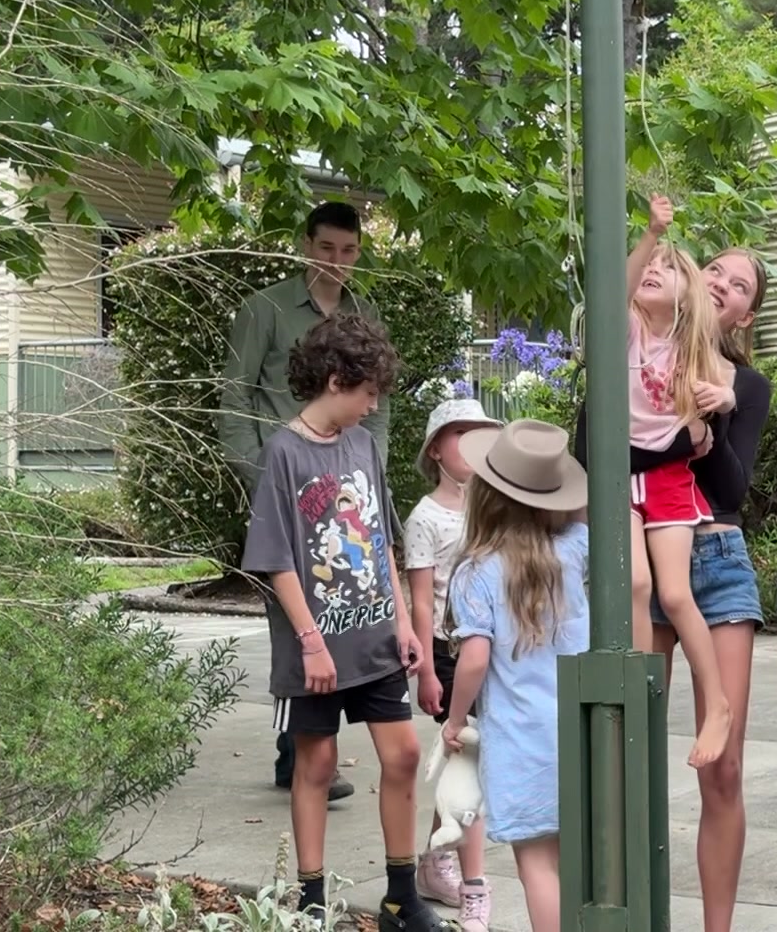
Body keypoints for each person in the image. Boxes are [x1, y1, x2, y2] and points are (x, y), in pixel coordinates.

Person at [572, 243, 772, 932]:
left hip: (711, 557)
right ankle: (632, 914)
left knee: (723, 770)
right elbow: (590, 450)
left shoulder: (741, 382)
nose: (722, 283)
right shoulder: (633, 346)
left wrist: (707, 425)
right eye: (714, 269)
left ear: (746, 315)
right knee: (628, 756)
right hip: (640, 551)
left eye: (739, 284)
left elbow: (733, 489)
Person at [238, 310, 455, 932]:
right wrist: (310, 642)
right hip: (317, 649)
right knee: (317, 764)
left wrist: (405, 624)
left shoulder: (362, 445)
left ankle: (399, 898)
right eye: (367, 392)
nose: (372, 404)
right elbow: (277, 562)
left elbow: (383, 537)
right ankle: (310, 900)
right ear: (336, 380)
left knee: (405, 754)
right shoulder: (282, 453)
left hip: (376, 639)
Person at [223, 199, 389, 802]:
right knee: (291, 620)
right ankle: (299, 748)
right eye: (326, 248)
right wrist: (258, 472)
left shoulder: (363, 313)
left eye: (348, 251)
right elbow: (234, 396)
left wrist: (370, 476)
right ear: (304, 245)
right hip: (285, 482)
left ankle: (310, 750)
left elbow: (380, 404)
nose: (337, 262)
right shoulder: (264, 308)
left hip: (345, 492)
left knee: (347, 607)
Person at [442, 419, 592, 932]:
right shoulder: (572, 550)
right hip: (581, 730)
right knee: (577, 860)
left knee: (537, 864)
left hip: (522, 741)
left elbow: (476, 658)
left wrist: (454, 718)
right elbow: (585, 515)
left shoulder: (475, 571)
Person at [623, 193, 736, 769]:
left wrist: (723, 396)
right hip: (622, 477)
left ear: (686, 294)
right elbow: (617, 287)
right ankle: (644, 698)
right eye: (649, 265)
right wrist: (650, 235)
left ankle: (717, 704)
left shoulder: (692, 346)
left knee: (673, 592)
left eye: (666, 269)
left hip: (668, 477)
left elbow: (726, 387)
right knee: (635, 587)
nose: (651, 272)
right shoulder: (628, 330)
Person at [403, 398, 503, 927]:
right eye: (458, 434)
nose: (469, 444)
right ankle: (474, 888)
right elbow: (421, 597)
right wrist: (423, 669)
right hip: (449, 656)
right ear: (436, 451)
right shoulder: (426, 517)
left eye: (479, 433)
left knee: (466, 768)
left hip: (497, 653)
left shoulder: (500, 505)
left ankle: (436, 858)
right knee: (471, 766)